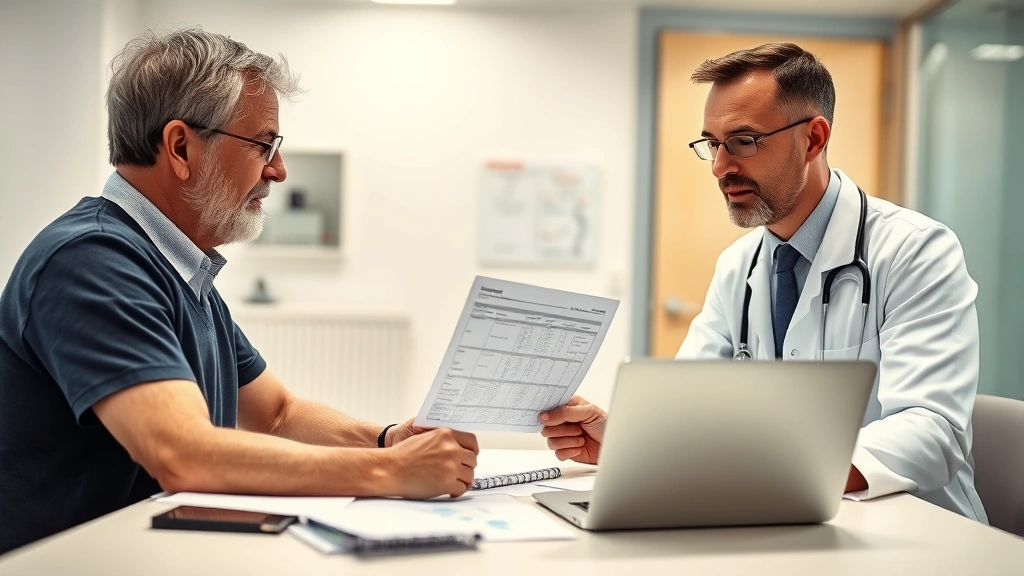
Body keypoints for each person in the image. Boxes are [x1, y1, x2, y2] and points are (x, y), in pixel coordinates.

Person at [0, 27, 478, 555]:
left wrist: (389, 439)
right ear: (180, 146)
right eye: (263, 144)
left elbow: (278, 414)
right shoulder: (92, 260)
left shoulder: (178, 269)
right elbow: (183, 453)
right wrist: (387, 471)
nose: (278, 169)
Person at [540, 43, 987, 523]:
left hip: (915, 535)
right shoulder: (739, 267)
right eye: (713, 143)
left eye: (744, 141)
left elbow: (932, 430)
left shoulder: (914, 251)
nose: (720, 166)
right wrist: (629, 444)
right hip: (784, 526)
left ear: (813, 139)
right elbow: (690, 410)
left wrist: (772, 474)